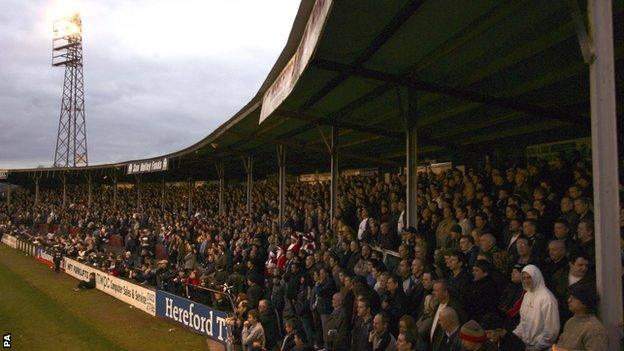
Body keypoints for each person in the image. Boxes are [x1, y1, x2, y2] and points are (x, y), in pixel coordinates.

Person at [513, 265, 560, 351]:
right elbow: (523, 322)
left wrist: (537, 347)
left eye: (529, 277)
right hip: (525, 346)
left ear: (536, 277)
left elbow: (552, 329)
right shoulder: (527, 296)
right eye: (524, 278)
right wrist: (513, 337)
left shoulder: (547, 298)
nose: (526, 281)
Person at [552, 284, 608, 351]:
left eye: (574, 298)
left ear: (585, 303)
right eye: (570, 297)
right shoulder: (570, 322)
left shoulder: (595, 328)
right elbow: (560, 345)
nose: (569, 300)